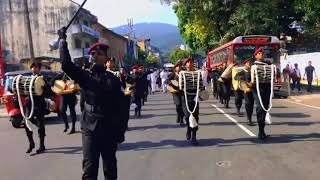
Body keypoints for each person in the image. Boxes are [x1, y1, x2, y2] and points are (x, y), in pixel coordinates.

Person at [58, 28, 127, 180]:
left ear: (106, 58)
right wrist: (63, 42)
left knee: (110, 168)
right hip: (90, 127)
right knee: (89, 169)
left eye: (100, 53)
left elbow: (122, 108)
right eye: (93, 53)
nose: (95, 55)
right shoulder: (84, 76)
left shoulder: (113, 80)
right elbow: (66, 64)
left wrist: (121, 131)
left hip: (109, 127)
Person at [25, 62, 47, 154]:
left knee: (41, 125)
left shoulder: (43, 79)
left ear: (39, 69)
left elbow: (48, 91)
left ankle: (42, 146)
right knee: (27, 122)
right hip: (30, 104)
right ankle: (31, 143)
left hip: (39, 104)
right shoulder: (29, 79)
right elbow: (24, 90)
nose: (34, 68)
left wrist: (44, 87)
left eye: (36, 67)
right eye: (32, 67)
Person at [181, 58, 204, 146]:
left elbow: (201, 86)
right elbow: (180, 87)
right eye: (188, 62)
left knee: (195, 116)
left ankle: (194, 137)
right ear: (185, 64)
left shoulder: (198, 73)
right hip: (186, 97)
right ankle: (188, 128)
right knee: (187, 116)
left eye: (191, 62)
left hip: (195, 97)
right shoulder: (182, 74)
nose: (190, 64)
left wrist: (201, 94)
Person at [252, 48, 271, 140]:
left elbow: (275, 73)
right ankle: (260, 131)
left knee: (265, 108)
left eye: (262, 53)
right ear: (255, 56)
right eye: (259, 53)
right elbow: (247, 77)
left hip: (267, 89)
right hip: (257, 90)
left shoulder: (268, 65)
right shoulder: (253, 66)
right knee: (260, 108)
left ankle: (262, 130)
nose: (261, 55)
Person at [234, 59, 255, 126]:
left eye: (250, 63)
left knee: (251, 104)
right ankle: (249, 119)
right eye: (248, 63)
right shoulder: (242, 72)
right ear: (245, 64)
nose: (249, 64)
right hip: (245, 90)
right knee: (248, 103)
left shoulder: (253, 71)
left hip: (253, 90)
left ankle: (250, 118)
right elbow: (236, 77)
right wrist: (242, 79)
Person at [167, 60, 184, 125]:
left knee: (183, 106)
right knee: (178, 105)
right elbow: (167, 81)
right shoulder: (173, 74)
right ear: (175, 68)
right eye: (177, 67)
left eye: (180, 67)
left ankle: (182, 119)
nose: (179, 68)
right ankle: (178, 115)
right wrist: (172, 83)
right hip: (175, 93)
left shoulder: (183, 74)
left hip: (182, 92)